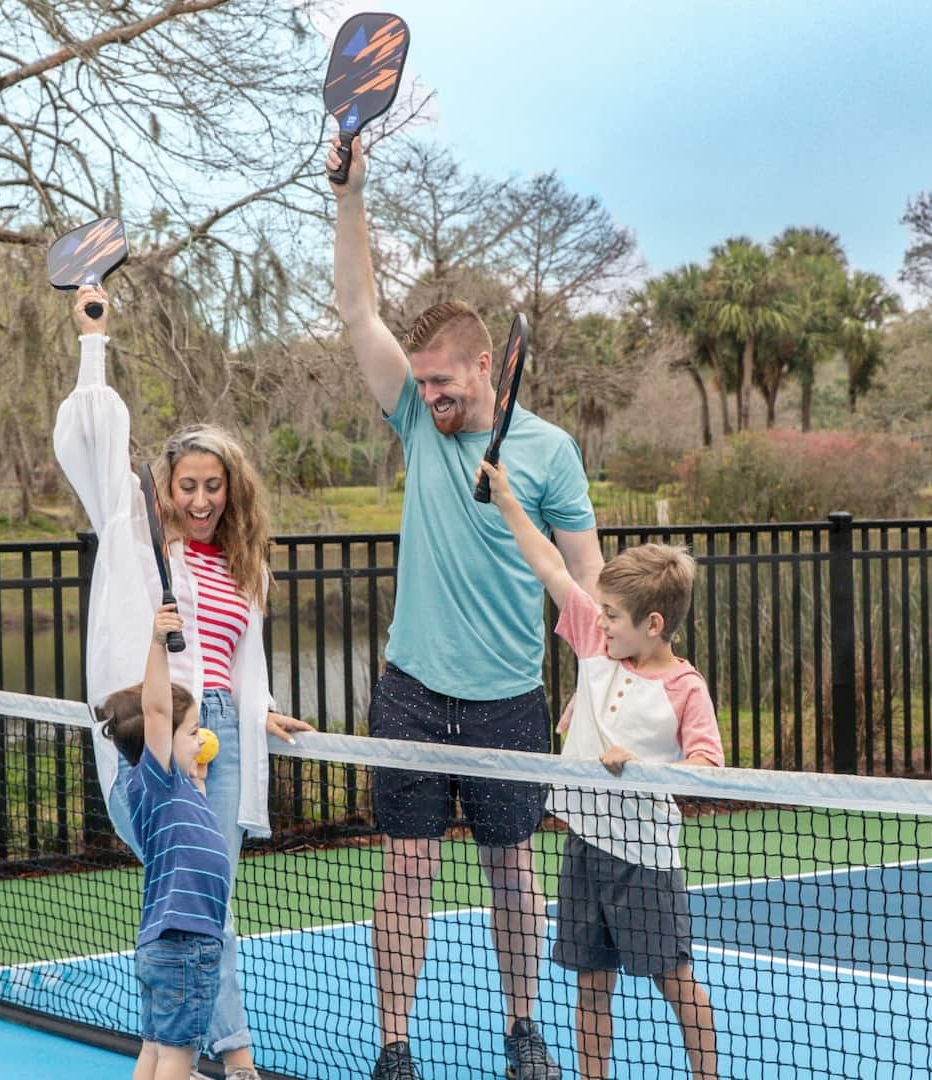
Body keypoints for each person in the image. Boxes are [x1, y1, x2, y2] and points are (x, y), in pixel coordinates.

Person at [329, 133, 605, 1080]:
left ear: (489, 367)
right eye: (424, 379)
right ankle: (394, 1044)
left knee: (511, 876)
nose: (430, 393)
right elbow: (357, 308)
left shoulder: (552, 453)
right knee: (405, 872)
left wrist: (594, 682)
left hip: (507, 701)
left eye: (445, 380)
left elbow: (588, 580)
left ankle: (522, 1030)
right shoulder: (413, 416)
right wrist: (351, 194)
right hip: (411, 691)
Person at [54, 285, 312, 1080]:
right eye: (188, 485)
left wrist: (264, 709)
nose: (200, 499)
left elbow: (241, 658)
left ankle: (177, 1053)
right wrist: (93, 341)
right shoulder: (132, 537)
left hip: (226, 731)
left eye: (215, 486)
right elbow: (95, 436)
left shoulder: (243, 564)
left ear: (233, 490)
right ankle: (233, 1061)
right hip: (161, 732)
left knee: (209, 900)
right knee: (204, 904)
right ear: (166, 487)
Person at [481, 460, 723, 1080]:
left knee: (673, 979)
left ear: (654, 625)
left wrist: (642, 768)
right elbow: (551, 566)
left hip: (645, 858)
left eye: (613, 615)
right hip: (583, 847)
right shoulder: (596, 642)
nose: (601, 621)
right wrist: (508, 498)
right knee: (591, 982)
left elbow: (707, 768)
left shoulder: (685, 688)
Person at [97, 603, 232, 1080]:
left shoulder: (172, 789)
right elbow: (157, 707)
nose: (202, 739)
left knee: (154, 1049)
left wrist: (196, 761)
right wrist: (158, 641)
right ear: (159, 738)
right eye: (193, 731)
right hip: (185, 943)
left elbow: (192, 780)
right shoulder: (158, 780)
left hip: (163, 945)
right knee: (177, 1057)